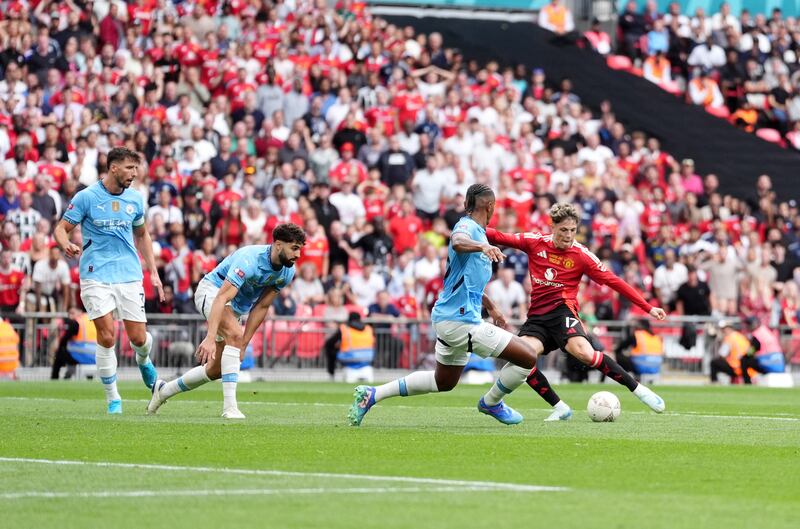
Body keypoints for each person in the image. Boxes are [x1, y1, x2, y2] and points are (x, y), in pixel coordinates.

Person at [348, 184, 541, 427]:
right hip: (461, 322)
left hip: (451, 318)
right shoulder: (466, 227)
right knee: (528, 356)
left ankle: (373, 394)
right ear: (490, 206)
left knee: (444, 381)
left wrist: (491, 306)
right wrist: (482, 246)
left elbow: (467, 281)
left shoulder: (480, 232)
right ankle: (491, 402)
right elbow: (458, 240)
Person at [481, 203, 667, 421]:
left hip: (563, 312)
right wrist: (466, 227)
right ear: (553, 227)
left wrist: (648, 307)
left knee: (585, 353)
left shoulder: (581, 255)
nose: (568, 236)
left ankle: (640, 391)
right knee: (523, 358)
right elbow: (497, 236)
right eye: (563, 230)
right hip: (538, 318)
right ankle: (560, 408)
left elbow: (614, 282)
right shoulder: (534, 242)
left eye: (573, 230)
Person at [147, 223, 306, 419]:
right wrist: (210, 337)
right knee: (235, 334)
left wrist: (244, 344)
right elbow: (221, 298)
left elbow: (262, 307)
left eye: (300, 249)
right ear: (279, 245)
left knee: (216, 370)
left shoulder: (287, 271)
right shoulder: (249, 260)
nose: (298, 255)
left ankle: (163, 391)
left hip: (233, 309)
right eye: (295, 248)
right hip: (211, 293)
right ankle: (230, 408)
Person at [53, 147, 165, 414]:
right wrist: (65, 243)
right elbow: (60, 228)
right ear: (113, 167)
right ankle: (113, 397)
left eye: (136, 169)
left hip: (128, 274)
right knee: (106, 336)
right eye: (129, 168)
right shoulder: (87, 197)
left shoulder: (136, 199)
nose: (134, 174)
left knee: (138, 338)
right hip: (96, 274)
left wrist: (154, 272)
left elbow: (142, 235)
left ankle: (144, 359)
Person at [323, 311, 375, 379]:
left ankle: (331, 373)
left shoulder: (344, 328)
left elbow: (329, 343)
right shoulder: (369, 328)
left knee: (330, 349)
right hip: (368, 358)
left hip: (350, 358)